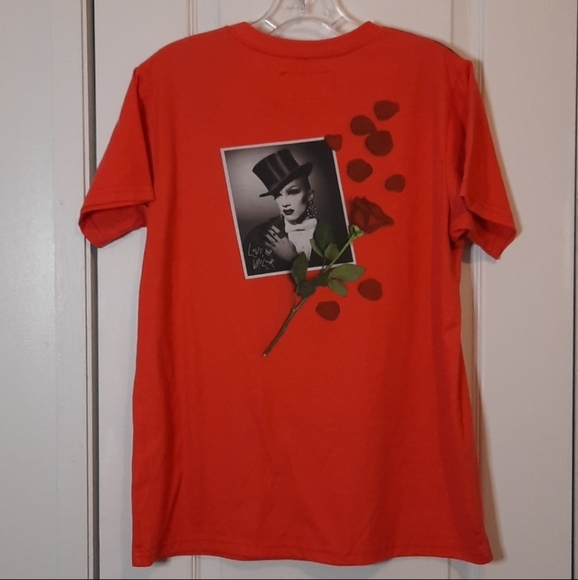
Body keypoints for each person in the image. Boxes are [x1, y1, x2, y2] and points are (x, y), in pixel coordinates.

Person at [243, 148, 324, 276]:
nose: (285, 203)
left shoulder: (333, 234)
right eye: (277, 195)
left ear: (310, 196)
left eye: (293, 192)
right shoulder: (258, 237)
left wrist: (294, 259)